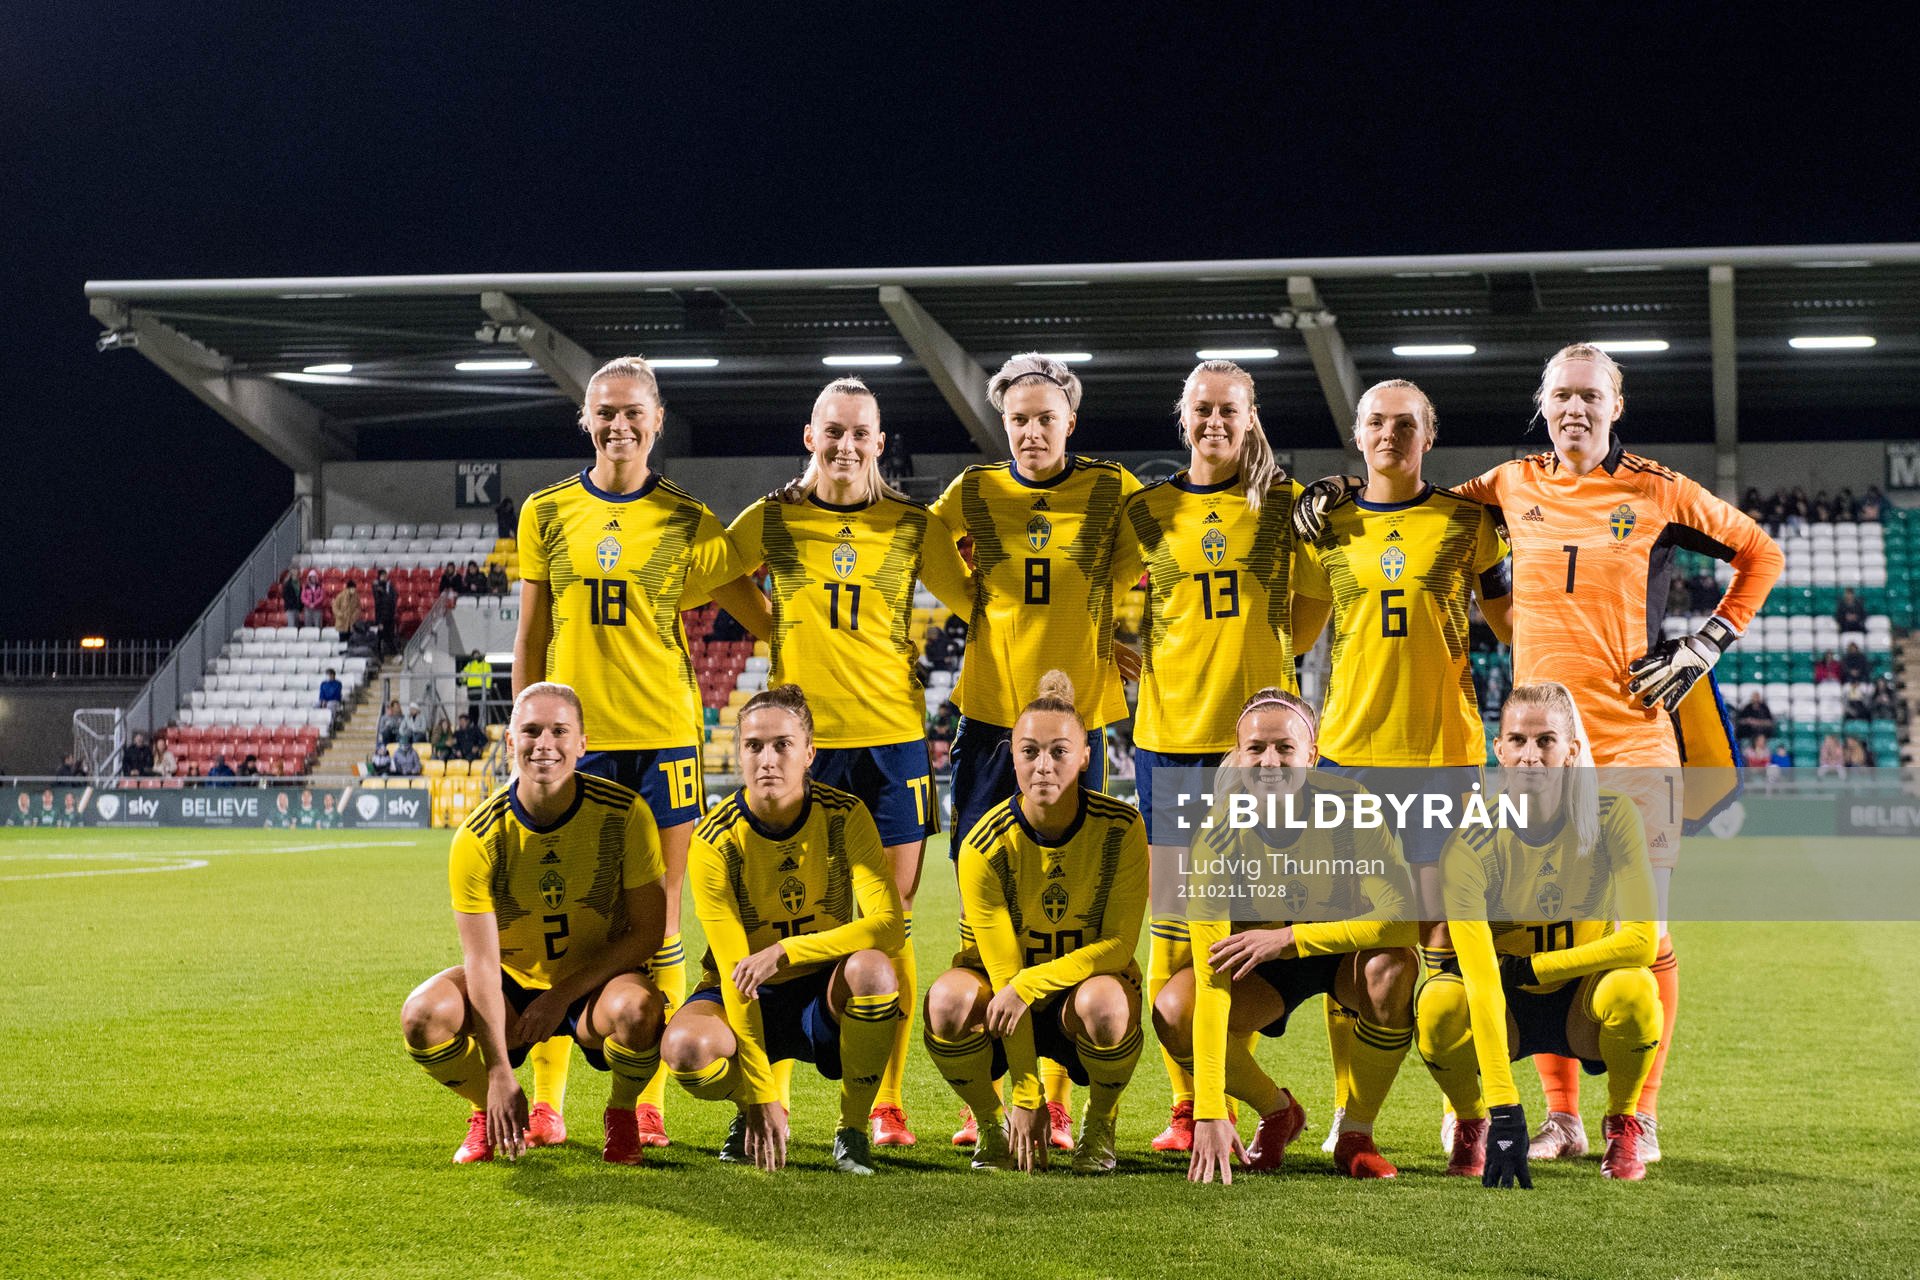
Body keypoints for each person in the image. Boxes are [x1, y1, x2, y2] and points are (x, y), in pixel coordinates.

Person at [1295, 342, 1781, 1163]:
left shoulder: (1658, 489)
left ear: (1616, 405)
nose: (1574, 410)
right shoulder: (1511, 483)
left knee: (1648, 934)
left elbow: (1762, 551)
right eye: (1561, 396)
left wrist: (1708, 642)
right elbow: (1410, 500)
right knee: (1541, 920)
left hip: (1630, 744)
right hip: (1533, 756)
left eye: (1590, 396)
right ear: (1543, 405)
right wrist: (1340, 488)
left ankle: (1639, 1117)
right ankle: (1563, 1117)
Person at [513, 354, 774, 1150]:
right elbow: (531, 635)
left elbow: (763, 617)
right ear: (585, 420)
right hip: (575, 741)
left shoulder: (688, 520)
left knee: (659, 920)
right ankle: (548, 1102)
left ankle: (643, 1101)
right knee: (564, 917)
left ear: (658, 422)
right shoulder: (546, 512)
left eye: (634, 412)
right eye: (605, 411)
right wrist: (527, 736)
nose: (618, 424)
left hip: (663, 736)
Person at [725, 376, 972, 1148]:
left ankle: (885, 1104)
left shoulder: (913, 525)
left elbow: (981, 606)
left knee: (888, 919)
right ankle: (770, 1096)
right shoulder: (774, 517)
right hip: (806, 744)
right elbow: (710, 572)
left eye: (860, 432)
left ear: (879, 442)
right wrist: (771, 623)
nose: (845, 445)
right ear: (810, 437)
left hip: (892, 743)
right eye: (833, 431)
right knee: (784, 910)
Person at [1284, 378, 1512, 1156]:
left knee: (1446, 940)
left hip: (1446, 757)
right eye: (1377, 422)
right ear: (1358, 434)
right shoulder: (1327, 525)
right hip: (1349, 758)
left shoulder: (1467, 523)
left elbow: (1514, 625)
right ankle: (1351, 1113)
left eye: (1406, 424)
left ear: (1429, 436)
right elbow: (1294, 636)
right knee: (1357, 945)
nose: (1391, 434)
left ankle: (1463, 1108)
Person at [930, 353, 1143, 1151]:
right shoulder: (975, 490)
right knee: (981, 899)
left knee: (1074, 896)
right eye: (1017, 419)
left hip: (1077, 725)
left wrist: (1108, 623)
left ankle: (1053, 1099)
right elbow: (924, 542)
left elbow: (1151, 553)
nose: (1030, 431)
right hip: (991, 721)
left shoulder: (1111, 487)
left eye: (1044, 417)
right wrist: (976, 604)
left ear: (1069, 422)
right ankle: (990, 1092)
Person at [1106, 358, 1320, 1152]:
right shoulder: (1148, 509)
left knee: (1245, 925)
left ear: (1250, 416)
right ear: (1183, 415)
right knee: (1172, 927)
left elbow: (1314, 601)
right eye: (1202, 409)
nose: (1215, 422)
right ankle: (1192, 1105)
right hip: (1169, 740)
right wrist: (1109, 646)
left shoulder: (1287, 504)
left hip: (1257, 752)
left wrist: (1274, 659)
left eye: (1229, 409)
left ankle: (1234, 1097)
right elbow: (1094, 586)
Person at [400, 681, 670, 1165]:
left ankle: (622, 1112)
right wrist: (498, 1072)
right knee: (422, 1016)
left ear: (582, 743)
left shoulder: (626, 814)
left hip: (594, 987)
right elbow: (481, 961)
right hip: (510, 989)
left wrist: (561, 995)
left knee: (640, 1010)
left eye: (559, 731)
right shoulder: (478, 836)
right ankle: (487, 1111)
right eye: (531, 731)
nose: (545, 744)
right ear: (510, 741)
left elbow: (648, 932)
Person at [1158, 688, 1419, 1184]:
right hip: (1262, 970)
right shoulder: (1216, 831)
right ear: (1238, 755)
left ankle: (1356, 1135)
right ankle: (1277, 1110)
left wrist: (1289, 939)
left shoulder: (1352, 804)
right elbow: (1212, 980)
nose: (1270, 762)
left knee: (1394, 967)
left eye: (1285, 748)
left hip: (1340, 953)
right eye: (1256, 749)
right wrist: (1210, 1107)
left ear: (1312, 756)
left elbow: (1404, 919)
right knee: (1175, 1010)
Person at [1416, 681, 1663, 1185]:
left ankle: (1622, 1124)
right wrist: (1504, 1109)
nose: (1531, 756)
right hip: (1503, 1001)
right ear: (1499, 750)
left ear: (1571, 751)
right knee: (1438, 1006)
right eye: (1518, 741)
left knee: (1636, 989)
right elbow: (1481, 980)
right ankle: (1471, 1121)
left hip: (1581, 1000)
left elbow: (1642, 941)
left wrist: (1535, 967)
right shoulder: (1470, 841)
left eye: (1546, 740)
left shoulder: (1613, 815)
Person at [660, 685, 905, 1174]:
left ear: (809, 753)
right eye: (753, 746)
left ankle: (853, 1129)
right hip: (745, 991)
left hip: (822, 990)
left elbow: (889, 926)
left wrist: (787, 951)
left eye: (782, 745)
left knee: (875, 972)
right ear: (739, 754)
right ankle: (748, 1111)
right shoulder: (713, 839)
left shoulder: (845, 815)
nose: (767, 759)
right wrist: (760, 1093)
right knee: (685, 1048)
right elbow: (737, 971)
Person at [923, 672, 1148, 1174]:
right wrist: (1026, 1095)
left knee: (1107, 1004)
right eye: (1029, 752)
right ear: (1013, 757)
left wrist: (1030, 983)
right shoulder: (983, 845)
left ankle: (1100, 1123)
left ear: (1085, 755)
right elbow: (1005, 975)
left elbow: (1117, 945)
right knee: (947, 1001)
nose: (1043, 765)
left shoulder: (1121, 827)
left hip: (1077, 998)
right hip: (1005, 1000)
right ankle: (991, 1123)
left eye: (1058, 752)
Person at [373, 570, 399, 656]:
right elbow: (378, 602)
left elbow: (394, 597)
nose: (384, 577)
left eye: (385, 576)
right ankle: (379, 653)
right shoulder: (376, 586)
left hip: (390, 615)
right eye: (382, 576)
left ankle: (392, 652)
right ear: (379, 577)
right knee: (380, 635)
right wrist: (379, 621)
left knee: (390, 635)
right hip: (381, 616)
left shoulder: (390, 586)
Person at [461, 652, 491, 722]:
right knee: (473, 708)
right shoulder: (470, 665)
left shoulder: (485, 665)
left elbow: (488, 677)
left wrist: (487, 688)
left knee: (480, 708)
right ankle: (473, 723)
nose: (476, 657)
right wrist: (461, 679)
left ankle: (479, 724)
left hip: (481, 689)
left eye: (477, 655)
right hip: (472, 690)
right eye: (474, 656)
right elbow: (464, 674)